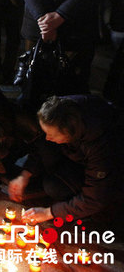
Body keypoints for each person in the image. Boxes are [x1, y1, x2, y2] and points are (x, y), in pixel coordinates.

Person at [10, 95, 123, 223]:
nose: (47, 137)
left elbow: (95, 198)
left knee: (54, 187)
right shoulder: (59, 110)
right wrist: (25, 174)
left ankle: (83, 212)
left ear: (69, 134)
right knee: (46, 149)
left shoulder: (102, 146)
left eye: (51, 135)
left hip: (109, 180)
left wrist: (49, 212)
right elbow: (42, 144)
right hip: (76, 155)